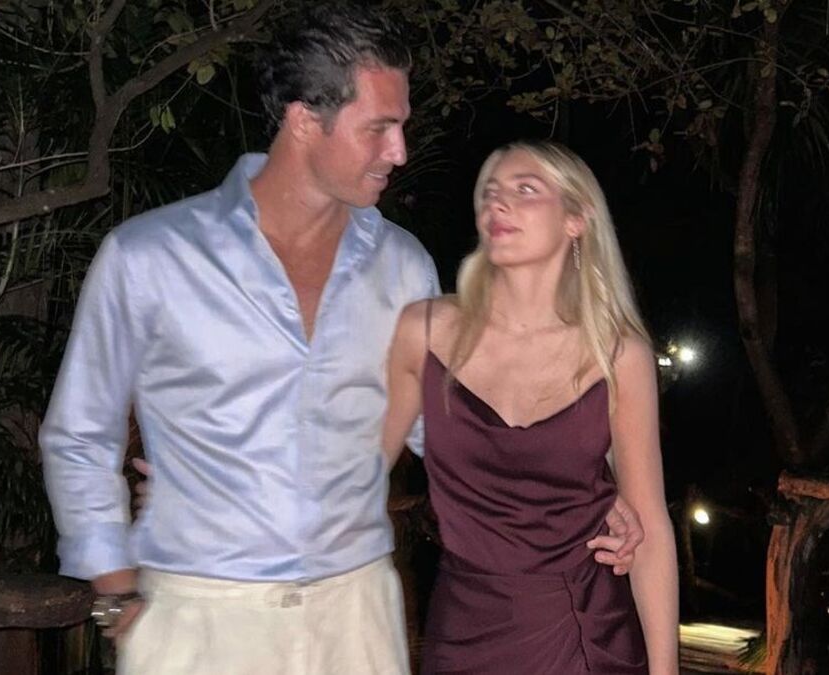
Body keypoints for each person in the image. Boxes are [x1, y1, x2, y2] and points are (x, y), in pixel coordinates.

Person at [40, 4, 641, 674]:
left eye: (402, 127)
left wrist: (587, 493)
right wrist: (115, 593)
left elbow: (449, 431)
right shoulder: (149, 256)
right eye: (379, 128)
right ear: (304, 120)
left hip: (357, 618)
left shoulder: (403, 267)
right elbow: (79, 436)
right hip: (198, 618)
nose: (400, 151)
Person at [381, 140, 680, 674]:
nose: (498, 203)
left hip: (585, 634)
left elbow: (651, 528)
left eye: (525, 189)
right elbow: (352, 475)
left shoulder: (618, 354)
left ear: (576, 219)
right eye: (490, 192)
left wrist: (666, 671)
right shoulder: (423, 331)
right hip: (462, 632)